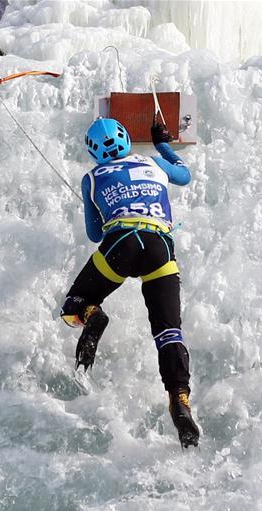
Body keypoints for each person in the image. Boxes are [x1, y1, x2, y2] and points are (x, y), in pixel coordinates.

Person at [60, 116, 199, 448]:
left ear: (94, 152)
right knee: (169, 333)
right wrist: (162, 142)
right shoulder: (153, 163)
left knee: (72, 306)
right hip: (160, 248)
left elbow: (95, 234)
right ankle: (179, 399)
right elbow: (184, 173)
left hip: (122, 244)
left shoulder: (92, 177)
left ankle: (94, 315)